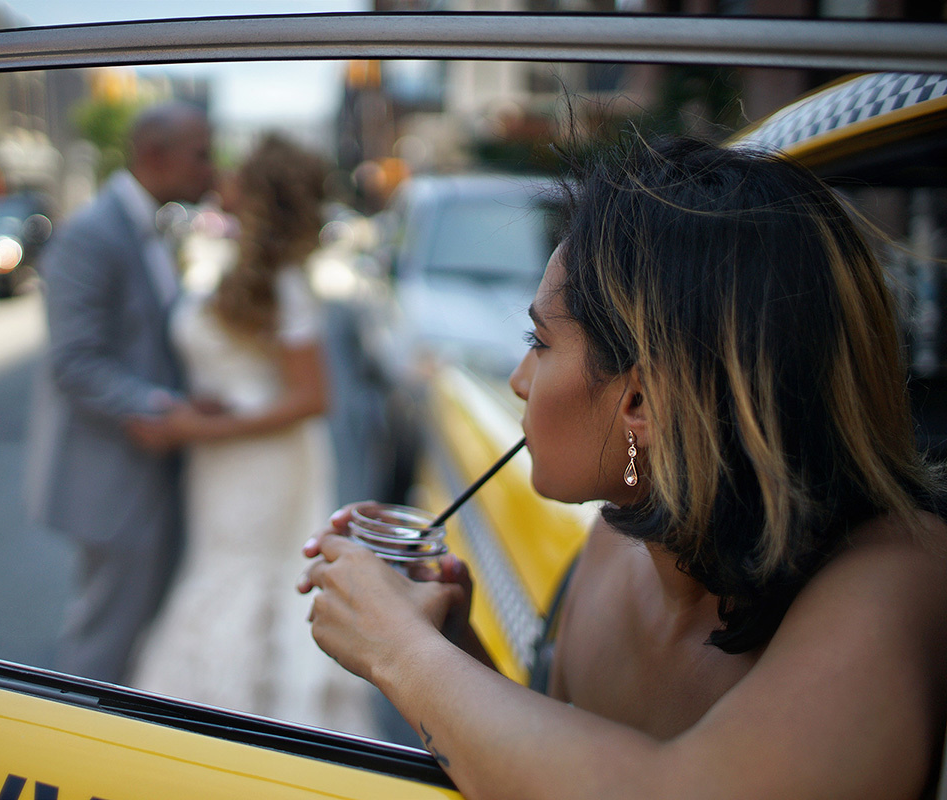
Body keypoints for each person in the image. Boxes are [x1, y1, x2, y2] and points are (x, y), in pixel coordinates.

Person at [299, 136, 947, 798]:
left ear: (641, 400)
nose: (521, 380)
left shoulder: (901, 574)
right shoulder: (618, 542)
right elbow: (560, 770)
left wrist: (400, 649)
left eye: (539, 343)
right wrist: (453, 645)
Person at [129, 134, 377, 736]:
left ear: (260, 189)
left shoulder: (287, 281)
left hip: (262, 464)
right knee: (222, 572)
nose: (224, 175)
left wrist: (202, 426)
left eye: (238, 169)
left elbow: (314, 397)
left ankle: (243, 729)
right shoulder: (242, 262)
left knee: (244, 579)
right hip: (227, 461)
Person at [24, 102, 215, 684]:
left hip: (148, 471)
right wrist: (162, 408)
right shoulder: (91, 234)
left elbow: (147, 341)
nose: (210, 168)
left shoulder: (152, 224)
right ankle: (75, 754)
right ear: (155, 155)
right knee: (104, 640)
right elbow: (75, 362)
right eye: (201, 154)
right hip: (114, 475)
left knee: (139, 633)